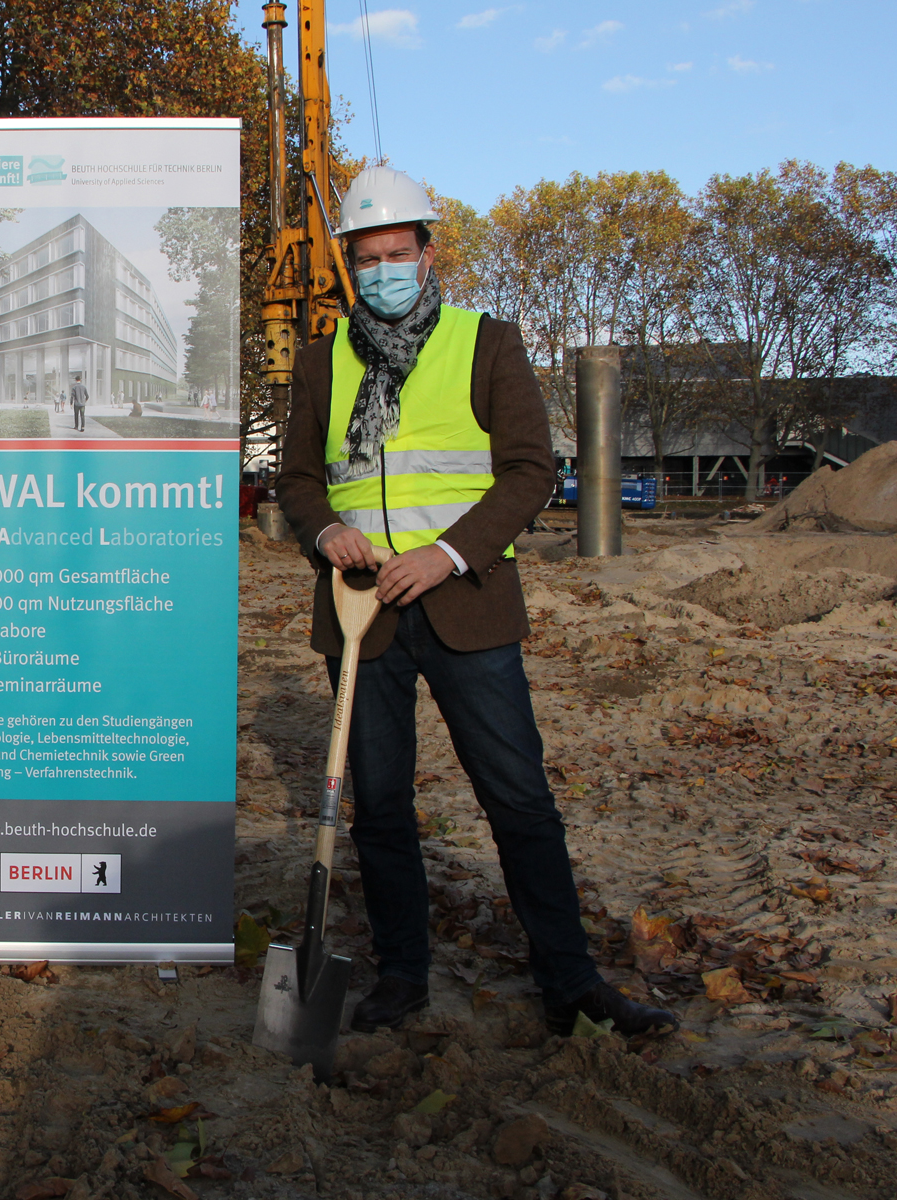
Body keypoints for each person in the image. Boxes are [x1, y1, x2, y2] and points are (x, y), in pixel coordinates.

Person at [277, 166, 676, 1039]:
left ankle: (569, 982)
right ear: (350, 262)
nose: (381, 269)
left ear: (427, 254)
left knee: (518, 800)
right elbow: (299, 479)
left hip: (467, 606)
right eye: (367, 257)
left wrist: (449, 554)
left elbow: (532, 469)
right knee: (381, 809)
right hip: (359, 615)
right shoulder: (320, 360)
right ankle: (403, 978)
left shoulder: (486, 342)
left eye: (397, 253)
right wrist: (324, 533)